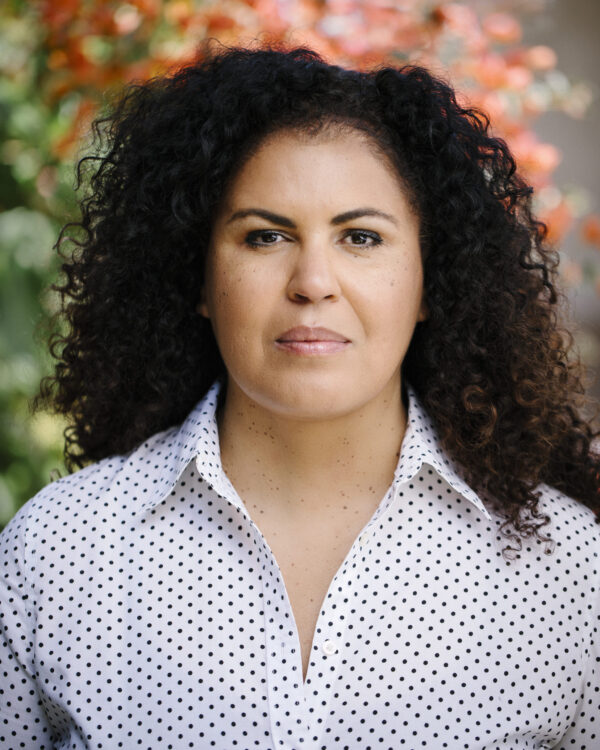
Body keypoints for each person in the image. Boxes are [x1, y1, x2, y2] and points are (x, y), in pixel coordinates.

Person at [0, 42, 599, 750]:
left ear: (430, 283)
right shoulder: (57, 552)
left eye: (362, 237)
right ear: (196, 276)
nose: (313, 280)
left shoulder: (570, 573)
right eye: (265, 236)